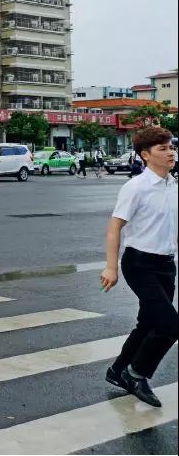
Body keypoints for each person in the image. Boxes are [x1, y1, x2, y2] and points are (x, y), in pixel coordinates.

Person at [100, 125, 177, 408]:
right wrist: (111, 267)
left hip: (166, 265)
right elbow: (115, 228)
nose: (170, 152)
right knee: (170, 325)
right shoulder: (135, 187)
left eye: (171, 147)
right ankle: (137, 373)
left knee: (148, 323)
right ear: (146, 155)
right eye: (163, 149)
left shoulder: (173, 184)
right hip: (140, 263)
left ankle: (118, 369)